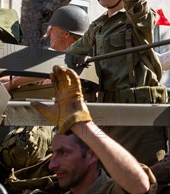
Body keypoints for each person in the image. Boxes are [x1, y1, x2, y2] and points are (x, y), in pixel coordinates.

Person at [67, 0, 166, 166]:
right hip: (107, 108)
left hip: (139, 110)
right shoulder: (98, 26)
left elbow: (134, 3)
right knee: (110, 177)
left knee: (143, 176)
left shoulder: (138, 19)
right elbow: (71, 55)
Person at [32, 65, 156, 194]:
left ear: (91, 154)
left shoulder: (109, 190)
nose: (52, 165)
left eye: (63, 153)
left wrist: (81, 124)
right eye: (53, 154)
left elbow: (139, 185)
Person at [3, 5, 89, 91]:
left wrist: (14, 83)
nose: (48, 34)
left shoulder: (78, 60)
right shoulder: (66, 58)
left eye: (52, 29)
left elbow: (55, 69)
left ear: (65, 34)